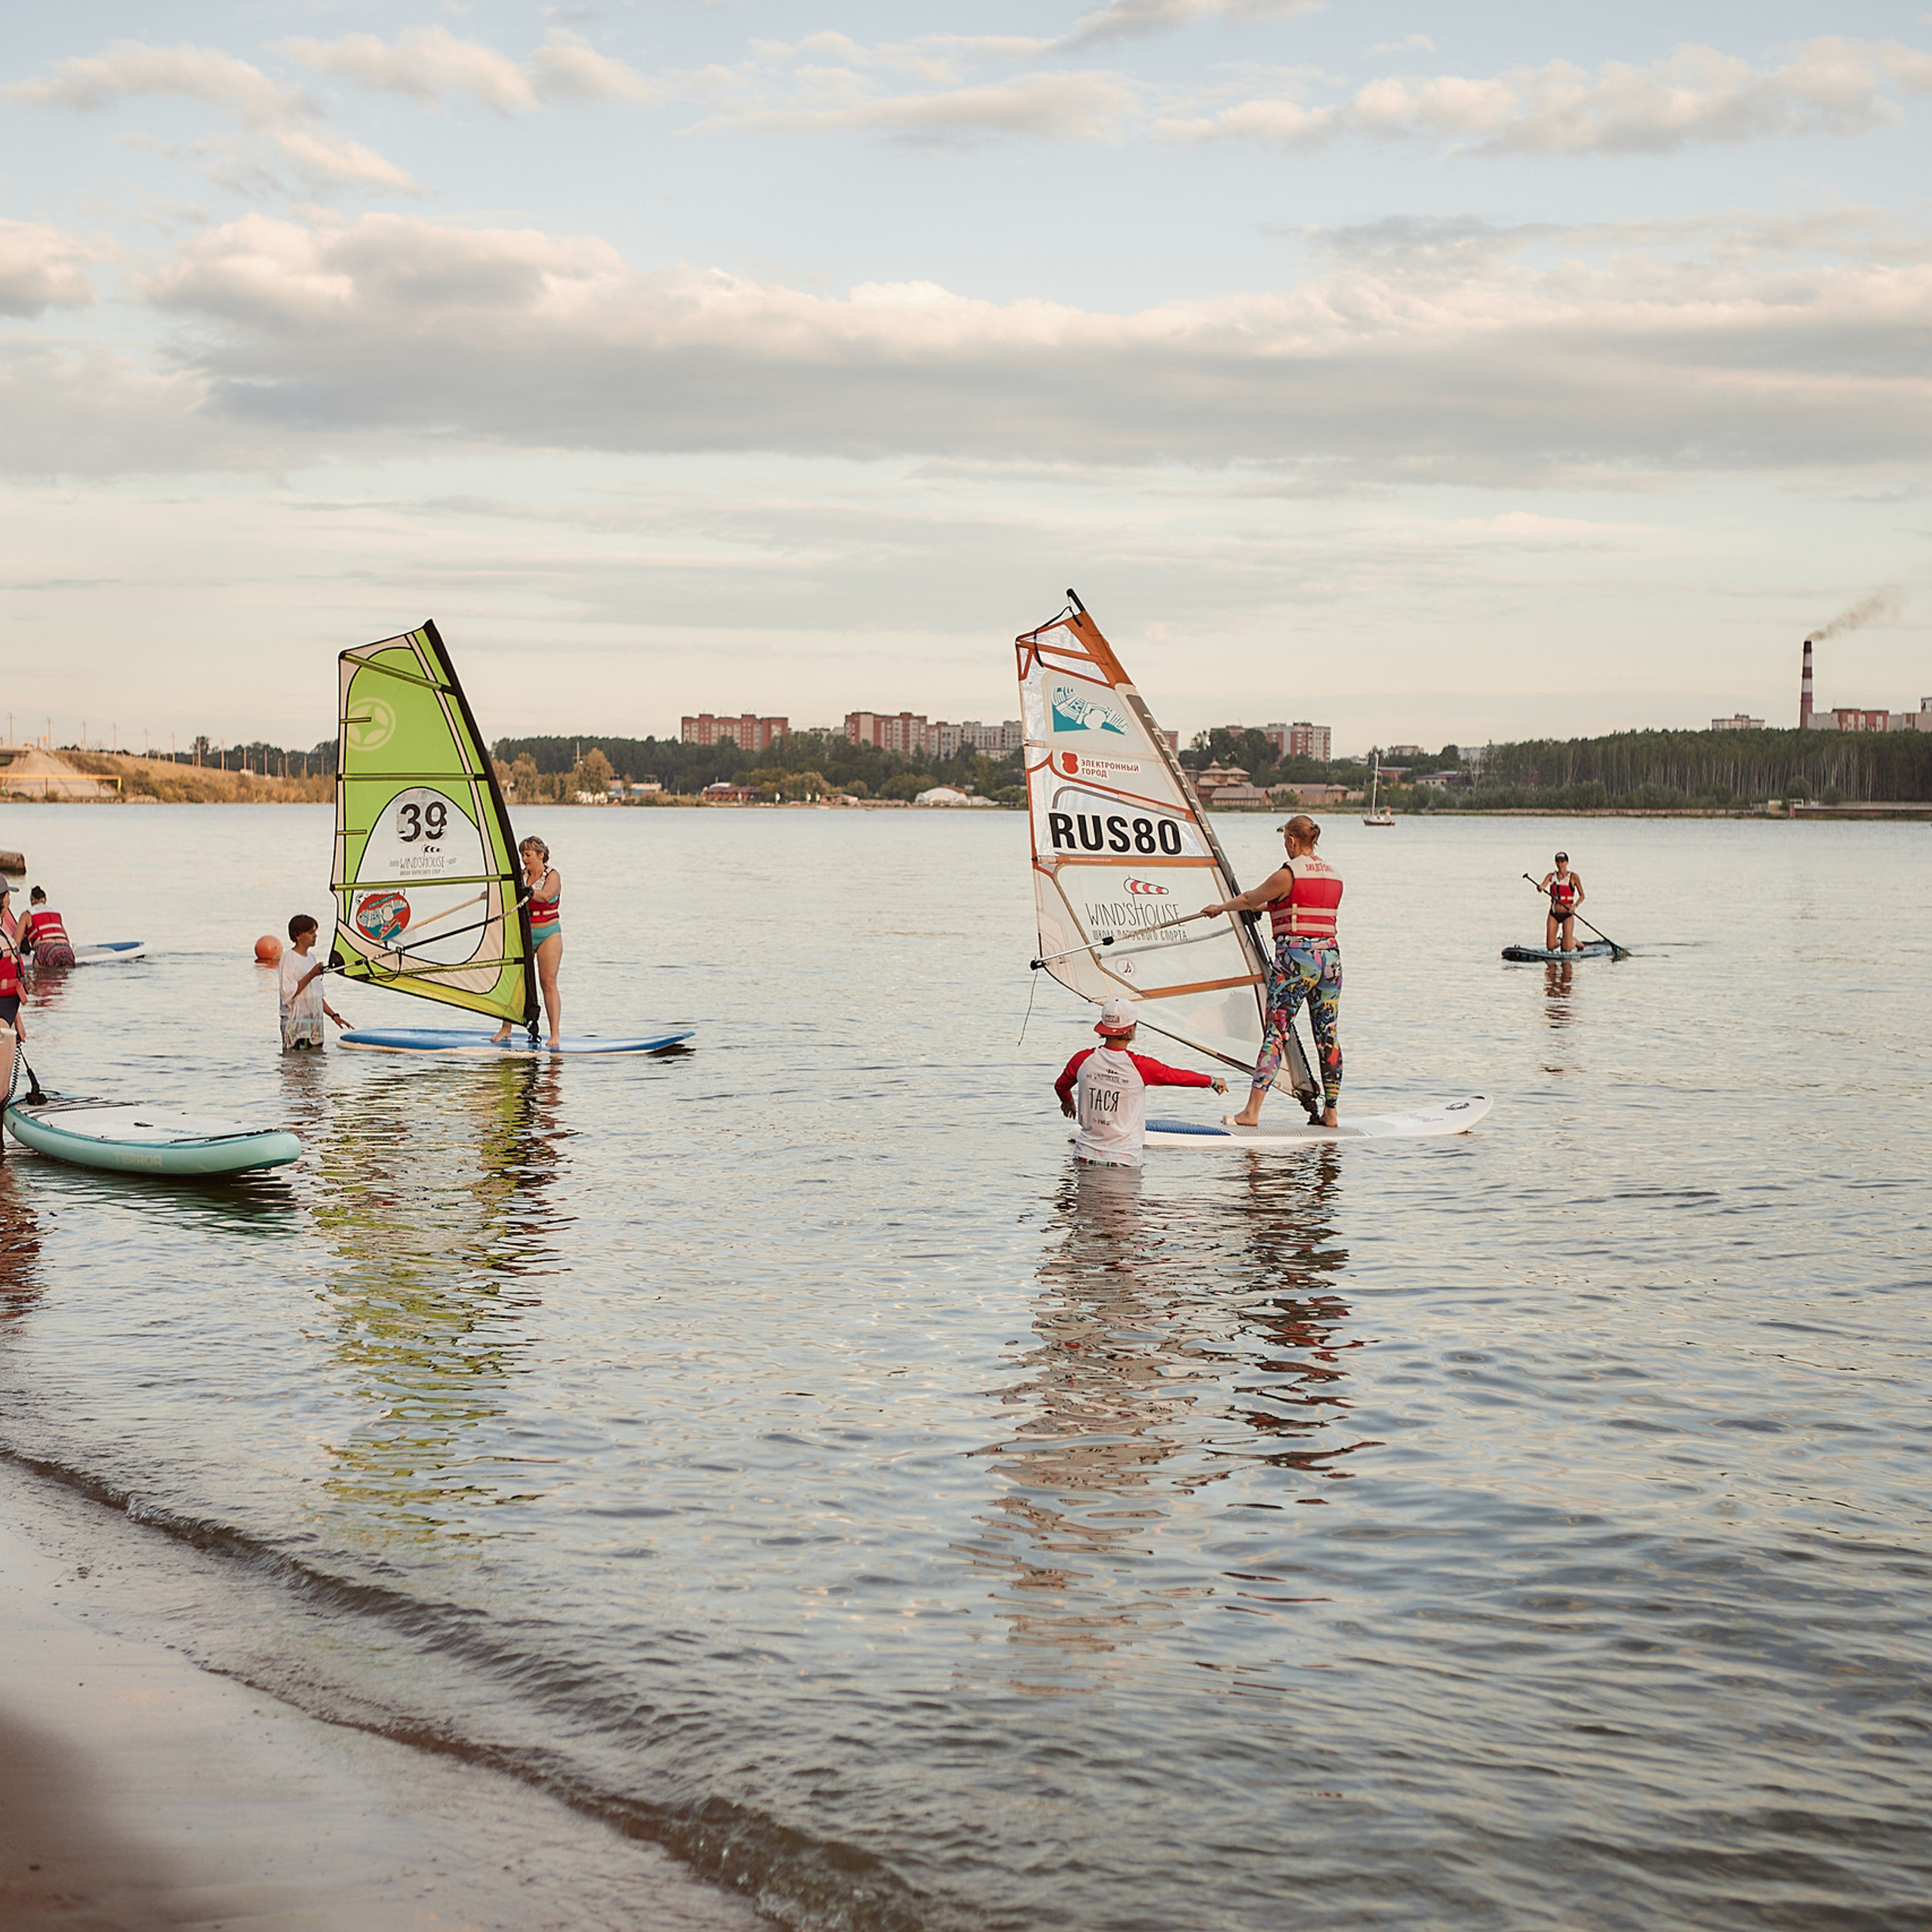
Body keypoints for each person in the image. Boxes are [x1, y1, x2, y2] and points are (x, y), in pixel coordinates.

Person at [1201, 814, 1343, 1130]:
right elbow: (1298, 905)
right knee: (1327, 1037)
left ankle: (1251, 1112)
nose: (1286, 847)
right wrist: (1267, 909)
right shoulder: (1334, 874)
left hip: (1296, 961)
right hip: (1330, 962)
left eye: (1285, 842)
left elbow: (1252, 897)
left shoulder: (1288, 873)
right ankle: (1331, 1114)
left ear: (1292, 841)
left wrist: (1221, 908)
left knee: (1276, 1033)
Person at [1054, 996, 1227, 1168]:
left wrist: (1068, 1102)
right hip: (1123, 1160)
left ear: (1103, 1028)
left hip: (1085, 1156)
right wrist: (1212, 1081)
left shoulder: (1082, 1059)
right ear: (1131, 1030)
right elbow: (1176, 1076)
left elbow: (1061, 1086)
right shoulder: (1141, 1067)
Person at [493, 836, 563, 1048]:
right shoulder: (520, 877)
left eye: (528, 855)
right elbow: (505, 894)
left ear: (541, 855)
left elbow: (546, 895)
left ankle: (555, 1034)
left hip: (548, 935)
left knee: (547, 983)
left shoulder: (552, 876)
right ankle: (506, 1029)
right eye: (522, 854)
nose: (524, 859)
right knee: (516, 981)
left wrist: (529, 892)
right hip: (524, 934)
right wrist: (492, 895)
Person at [278, 914, 349, 1051]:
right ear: (298, 935)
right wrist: (311, 974)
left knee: (315, 1065)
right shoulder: (289, 957)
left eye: (315, 932)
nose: (315, 936)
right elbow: (287, 993)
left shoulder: (311, 957)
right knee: (298, 1064)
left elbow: (316, 995)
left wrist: (334, 1016)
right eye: (311, 933)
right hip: (297, 1026)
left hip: (314, 1026)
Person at [1537, 851, 1584, 952]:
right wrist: (1540, 888)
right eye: (1558, 862)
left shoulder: (1573, 877)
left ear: (1567, 862)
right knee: (1550, 946)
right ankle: (1561, 940)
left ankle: (1575, 941)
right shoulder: (1551, 876)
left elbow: (1582, 896)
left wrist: (1575, 906)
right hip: (1554, 913)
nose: (1560, 864)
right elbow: (1542, 885)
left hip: (1567, 914)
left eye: (1562, 862)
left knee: (1566, 949)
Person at [23, 887, 75, 970]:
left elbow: (16, 942)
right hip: (65, 949)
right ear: (45, 899)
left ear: (32, 900)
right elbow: (67, 940)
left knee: (40, 975)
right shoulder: (55, 912)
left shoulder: (27, 914)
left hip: (45, 949)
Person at [0, 884, 24, 1053]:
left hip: (8, 1013)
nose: (9, 900)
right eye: (8, 895)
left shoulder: (4, 935)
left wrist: (17, 1020)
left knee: (4, 1080)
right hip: (2, 1017)